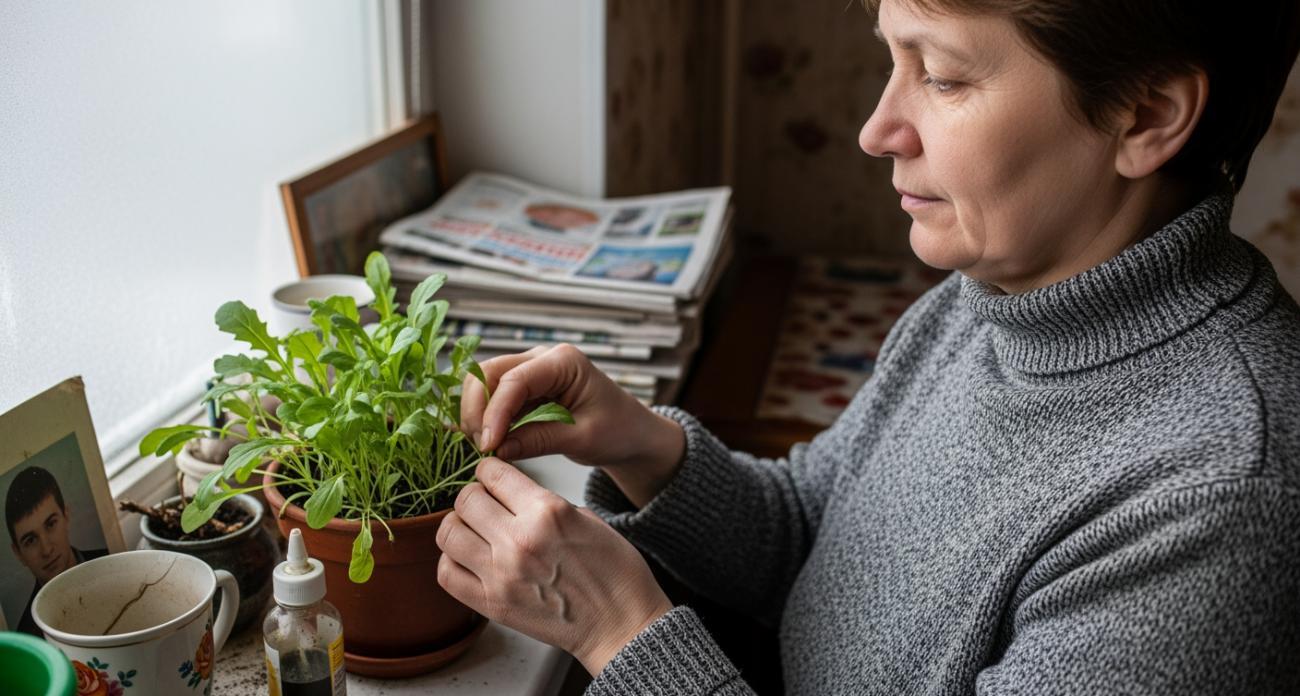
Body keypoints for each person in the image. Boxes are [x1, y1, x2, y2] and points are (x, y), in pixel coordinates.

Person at [438, 0, 1300, 693]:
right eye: (893, 59)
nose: (878, 128)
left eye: (945, 76)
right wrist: (641, 445)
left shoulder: (1216, 506)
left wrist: (618, 630)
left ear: (1146, 115)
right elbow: (821, 543)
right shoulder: (992, 299)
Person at [6, 465, 107, 636]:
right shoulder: (27, 638)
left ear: (66, 517)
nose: (46, 550)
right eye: (30, 540)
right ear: (18, 554)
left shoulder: (111, 559)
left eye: (51, 524)